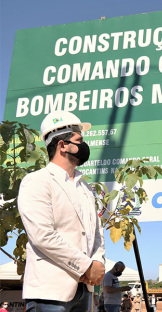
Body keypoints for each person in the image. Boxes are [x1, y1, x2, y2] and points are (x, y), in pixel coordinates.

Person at [18, 110, 105, 311]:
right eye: (79, 140)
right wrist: (86, 266)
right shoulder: (36, 181)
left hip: (84, 292)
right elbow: (43, 236)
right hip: (50, 293)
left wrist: (97, 264)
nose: (84, 145)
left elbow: (97, 234)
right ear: (62, 145)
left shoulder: (85, 188)